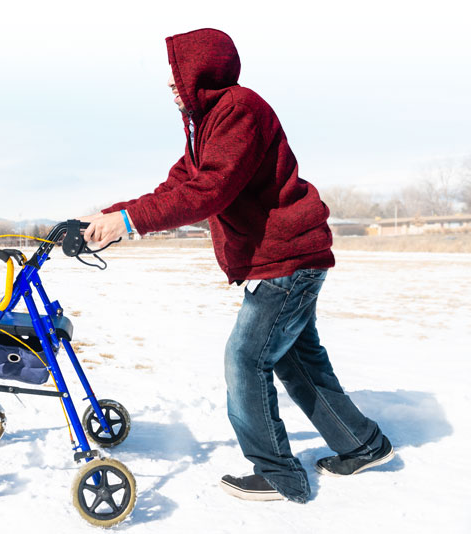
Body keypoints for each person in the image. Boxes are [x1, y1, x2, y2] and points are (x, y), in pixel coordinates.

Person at [80, 28, 393, 503]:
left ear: (202, 69)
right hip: (280, 258)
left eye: (177, 73)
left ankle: (278, 475)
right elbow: (177, 188)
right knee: (294, 359)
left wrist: (129, 222)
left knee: (245, 360)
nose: (171, 84)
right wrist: (110, 215)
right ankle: (362, 444)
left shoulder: (239, 110)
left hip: (285, 259)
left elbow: (211, 190)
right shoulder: (207, 124)